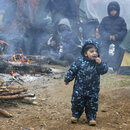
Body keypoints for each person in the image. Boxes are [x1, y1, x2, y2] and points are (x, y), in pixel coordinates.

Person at [64, 39, 108, 126]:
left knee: (92, 104)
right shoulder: (79, 62)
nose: (94, 53)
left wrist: (100, 64)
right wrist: (68, 79)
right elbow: (72, 70)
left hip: (93, 89)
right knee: (77, 102)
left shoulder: (97, 63)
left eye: (96, 51)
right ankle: (75, 115)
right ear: (85, 53)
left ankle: (91, 117)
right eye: (91, 51)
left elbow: (104, 71)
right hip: (79, 89)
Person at [99, 1, 127, 72]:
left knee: (117, 51)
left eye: (114, 10)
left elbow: (124, 31)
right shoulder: (105, 19)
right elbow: (101, 30)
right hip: (106, 40)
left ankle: (113, 67)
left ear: (117, 10)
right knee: (103, 50)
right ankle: (103, 66)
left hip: (117, 40)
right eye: (111, 10)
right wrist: (108, 36)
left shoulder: (121, 20)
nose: (113, 12)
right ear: (109, 11)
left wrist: (116, 36)